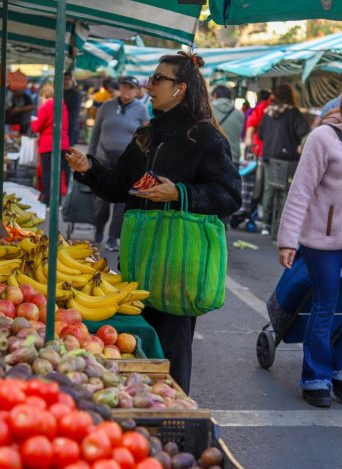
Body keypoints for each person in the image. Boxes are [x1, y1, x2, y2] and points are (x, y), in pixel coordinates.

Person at [66, 51, 241, 393]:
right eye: (152, 77)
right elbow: (120, 187)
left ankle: (175, 414)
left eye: (159, 78)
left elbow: (229, 196)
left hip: (179, 267)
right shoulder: (147, 135)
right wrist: (89, 168)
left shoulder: (205, 137)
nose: (150, 84)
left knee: (173, 352)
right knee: (135, 348)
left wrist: (180, 193)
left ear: (180, 89)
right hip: (139, 261)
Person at [277, 75, 342, 408]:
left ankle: (341, 366)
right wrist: (288, 239)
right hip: (322, 239)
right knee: (325, 304)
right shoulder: (322, 138)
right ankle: (315, 376)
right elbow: (301, 191)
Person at [88, 76, 150, 251]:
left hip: (126, 163)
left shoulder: (141, 110)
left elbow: (146, 137)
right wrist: (91, 156)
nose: (126, 90)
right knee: (101, 200)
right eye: (124, 86)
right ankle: (99, 226)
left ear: (137, 91)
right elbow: (96, 132)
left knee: (122, 201)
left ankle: (113, 237)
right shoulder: (106, 106)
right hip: (103, 159)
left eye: (130, 88)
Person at [258, 84, 311, 240]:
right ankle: (280, 226)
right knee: (286, 192)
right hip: (288, 158)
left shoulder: (268, 112)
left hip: (269, 156)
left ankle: (265, 224)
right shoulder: (293, 113)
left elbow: (260, 134)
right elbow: (304, 131)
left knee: (269, 189)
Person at [31, 83, 70, 205]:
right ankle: (57, 202)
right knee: (57, 175)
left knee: (47, 175)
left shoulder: (45, 107)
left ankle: (48, 202)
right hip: (62, 145)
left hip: (48, 146)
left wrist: (33, 122)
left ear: (44, 95)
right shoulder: (63, 106)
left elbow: (37, 127)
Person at [243, 89, 273, 233]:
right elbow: (251, 125)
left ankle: (258, 216)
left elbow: (250, 126)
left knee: (260, 186)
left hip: (261, 152)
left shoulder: (264, 107)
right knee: (260, 186)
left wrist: (249, 142)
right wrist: (250, 142)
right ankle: (258, 217)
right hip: (260, 152)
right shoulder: (264, 107)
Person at [63, 72, 82, 146]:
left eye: (68, 79)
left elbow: (74, 113)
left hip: (70, 128)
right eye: (64, 79)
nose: (66, 81)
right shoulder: (59, 92)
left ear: (72, 81)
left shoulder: (75, 94)